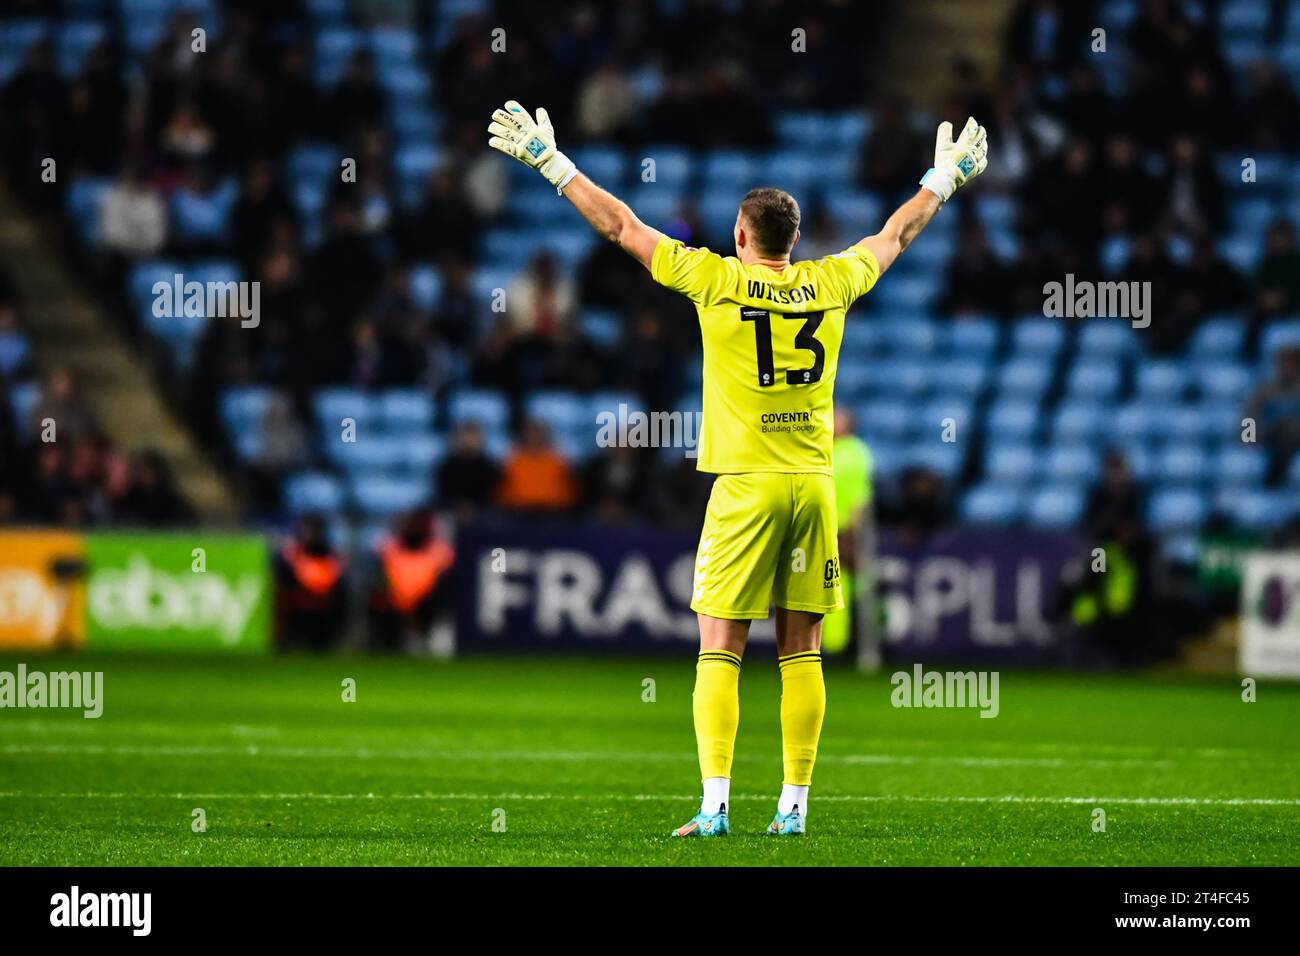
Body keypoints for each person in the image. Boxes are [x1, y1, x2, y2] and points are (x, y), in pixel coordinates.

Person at [488, 100, 987, 837]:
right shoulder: (831, 281)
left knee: (720, 646)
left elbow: (622, 227)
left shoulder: (715, 280)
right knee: (803, 649)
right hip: (813, 483)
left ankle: (716, 806)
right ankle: (793, 809)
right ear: (792, 241)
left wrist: (551, 164)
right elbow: (894, 235)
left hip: (746, 486)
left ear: (741, 236)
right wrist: (942, 183)